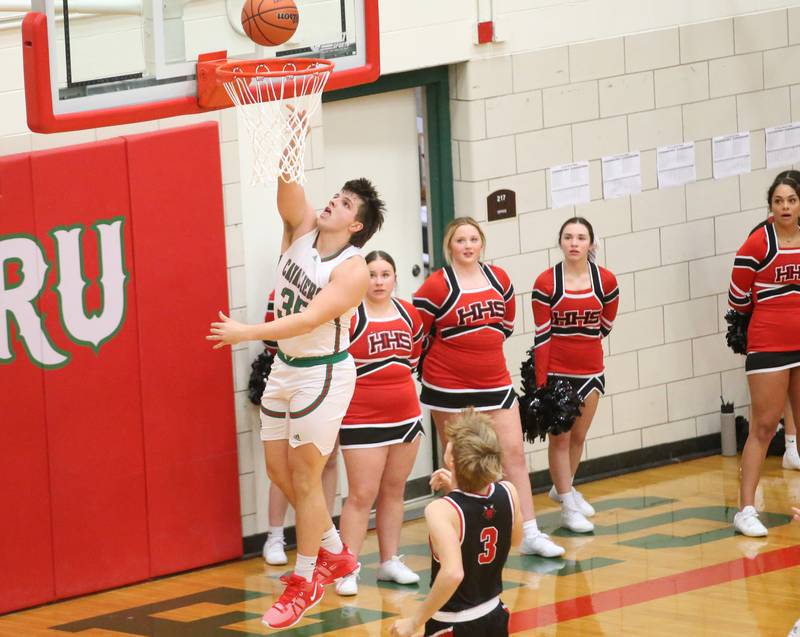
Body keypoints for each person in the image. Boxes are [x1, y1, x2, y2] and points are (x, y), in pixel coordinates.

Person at [208, 170, 385, 628]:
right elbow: (290, 193)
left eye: (346, 204)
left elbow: (308, 320)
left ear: (356, 226)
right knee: (276, 469)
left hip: (322, 374)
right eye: (337, 196)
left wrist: (247, 332)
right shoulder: (302, 229)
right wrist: (291, 141)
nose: (334, 203)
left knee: (306, 479)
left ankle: (306, 581)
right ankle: (336, 551)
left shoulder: (352, 268)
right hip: (286, 367)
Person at [412, 217, 563, 557]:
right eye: (460, 240)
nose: (467, 246)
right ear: (449, 246)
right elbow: (418, 333)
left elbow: (506, 326)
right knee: (457, 462)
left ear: (482, 244)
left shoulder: (499, 279)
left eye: (473, 239)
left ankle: (529, 532)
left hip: (494, 380)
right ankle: (457, 533)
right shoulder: (436, 286)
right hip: (448, 385)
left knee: (514, 454)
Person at [335, 250, 424, 595]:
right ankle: (347, 568)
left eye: (385, 274)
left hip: (405, 417)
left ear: (395, 277)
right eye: (372, 274)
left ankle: (389, 561)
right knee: (361, 495)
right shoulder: (350, 317)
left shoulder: (408, 313)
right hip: (361, 419)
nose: (379, 281)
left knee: (394, 490)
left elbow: (414, 357)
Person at [389, 409, 522, 637]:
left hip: (453, 624)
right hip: (495, 614)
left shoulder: (441, 510)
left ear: (451, 459)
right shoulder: (509, 492)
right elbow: (515, 540)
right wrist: (459, 491)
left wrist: (414, 622)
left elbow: (453, 573)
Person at [531, 217, 619, 533]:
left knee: (579, 436)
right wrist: (542, 384)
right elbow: (542, 336)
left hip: (592, 369)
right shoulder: (546, 283)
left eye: (581, 238)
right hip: (558, 372)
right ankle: (567, 506)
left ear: (590, 244)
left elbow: (606, 325)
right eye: (568, 237)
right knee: (560, 438)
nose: (574, 243)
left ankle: (563, 487)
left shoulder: (606, 281)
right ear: (560, 242)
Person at [728, 172, 800, 537]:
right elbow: (736, 299)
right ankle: (745, 510)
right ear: (770, 205)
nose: (785, 207)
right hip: (769, 344)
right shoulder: (757, 244)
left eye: (791, 200)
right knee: (763, 427)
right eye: (778, 201)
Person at [256, 291, 341, 566]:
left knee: (324, 463)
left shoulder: (341, 286)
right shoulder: (282, 290)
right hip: (290, 374)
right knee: (283, 465)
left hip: (328, 379)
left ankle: (322, 540)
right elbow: (271, 338)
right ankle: (276, 535)